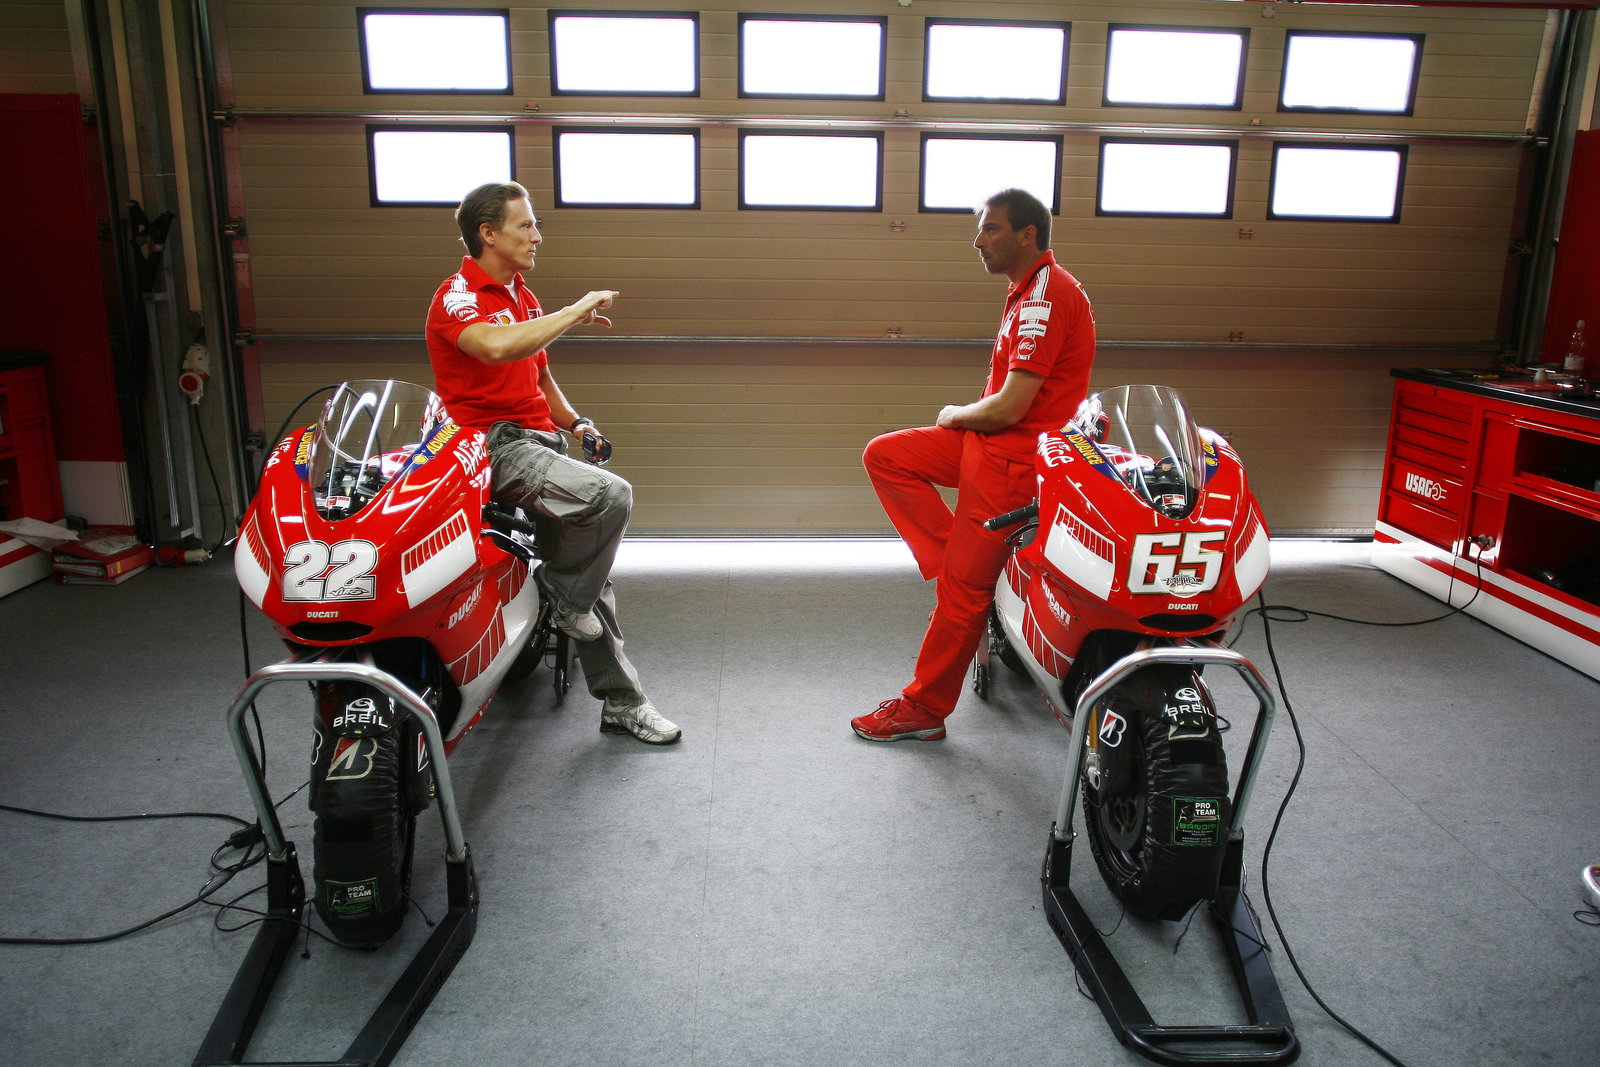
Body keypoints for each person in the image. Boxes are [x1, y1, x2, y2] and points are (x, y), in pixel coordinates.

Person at [424, 180, 680, 745]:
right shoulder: (458, 297)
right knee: (608, 502)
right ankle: (565, 600)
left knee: (588, 572)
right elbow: (496, 348)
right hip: (492, 445)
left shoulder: (522, 295)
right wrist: (577, 308)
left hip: (539, 440)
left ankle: (620, 703)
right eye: (527, 225)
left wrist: (576, 423)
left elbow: (536, 371)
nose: (538, 235)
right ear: (488, 234)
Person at [853, 188, 1096, 742]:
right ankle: (959, 565)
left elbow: (1011, 407)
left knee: (961, 597)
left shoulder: (1046, 297)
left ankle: (924, 710)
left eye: (990, 229)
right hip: (988, 448)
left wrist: (955, 414)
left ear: (1027, 234)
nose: (978, 240)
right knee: (887, 456)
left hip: (1012, 460)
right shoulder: (1029, 289)